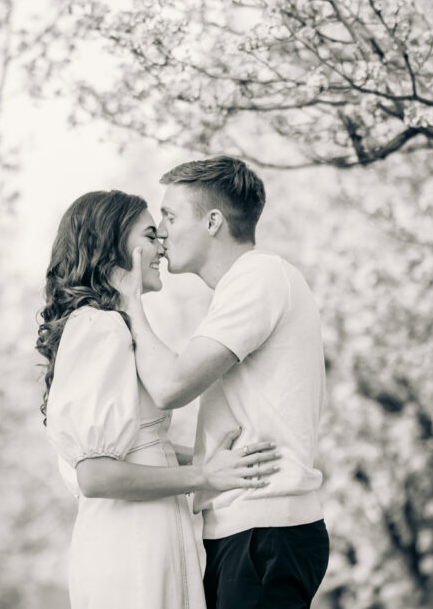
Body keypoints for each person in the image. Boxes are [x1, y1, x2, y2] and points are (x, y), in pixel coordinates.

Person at [36, 190, 281, 609]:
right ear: (113, 247)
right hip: (130, 547)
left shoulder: (116, 327)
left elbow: (138, 447)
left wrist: (206, 458)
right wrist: (203, 476)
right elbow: (96, 475)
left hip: (147, 535)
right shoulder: (100, 327)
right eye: (151, 235)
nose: (162, 246)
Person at [113, 158, 330, 609]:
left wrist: (131, 303)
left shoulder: (259, 276)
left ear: (213, 222)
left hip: (265, 532)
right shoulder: (244, 286)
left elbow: (171, 386)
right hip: (251, 532)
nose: (161, 233)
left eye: (170, 216)